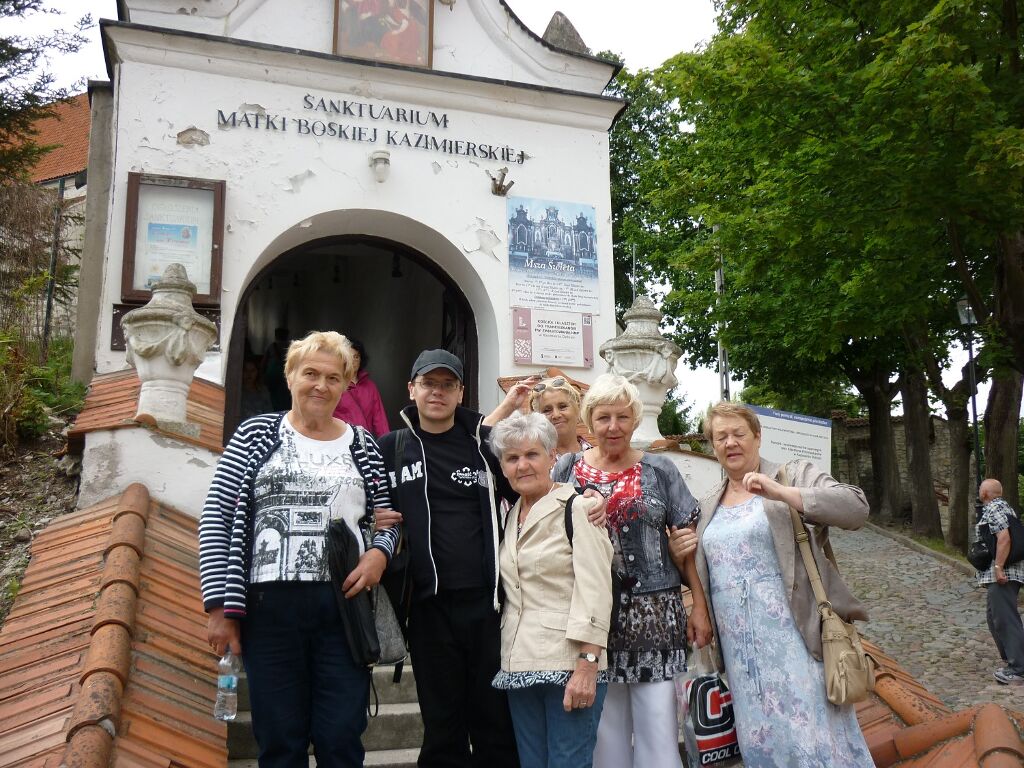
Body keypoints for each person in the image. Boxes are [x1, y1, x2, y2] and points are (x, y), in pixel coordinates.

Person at [375, 350, 607, 768]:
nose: (437, 392)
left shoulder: (483, 449)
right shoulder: (392, 448)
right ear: (412, 389)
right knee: (442, 730)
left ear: (461, 392)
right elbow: (362, 501)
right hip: (427, 609)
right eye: (429, 383)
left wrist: (589, 495)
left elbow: (532, 480)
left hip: (489, 609)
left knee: (494, 728)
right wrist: (371, 517)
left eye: (448, 384)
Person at [199, 331, 401, 768]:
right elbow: (217, 518)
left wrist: (379, 555)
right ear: (289, 376)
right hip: (270, 609)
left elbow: (387, 520)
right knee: (279, 740)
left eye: (333, 377)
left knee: (341, 736)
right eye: (310, 373)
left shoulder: (363, 444)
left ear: (347, 385)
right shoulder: (255, 434)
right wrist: (218, 608)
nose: (320, 386)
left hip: (343, 608)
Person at [687, 401, 873, 766]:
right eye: (720, 437)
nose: (730, 442)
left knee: (813, 741)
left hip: (797, 643)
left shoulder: (792, 474)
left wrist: (783, 493)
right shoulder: (708, 505)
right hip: (743, 659)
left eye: (739, 433)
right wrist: (681, 554)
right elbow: (704, 571)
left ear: (758, 436)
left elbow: (856, 508)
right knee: (764, 746)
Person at [551, 373, 709, 768]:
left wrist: (699, 605)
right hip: (592, 621)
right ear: (590, 419)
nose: (613, 426)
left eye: (622, 417)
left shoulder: (661, 470)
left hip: (655, 618)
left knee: (658, 733)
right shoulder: (567, 470)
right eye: (603, 417)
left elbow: (686, 542)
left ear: (635, 419)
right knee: (605, 736)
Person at [490, 411, 614, 768]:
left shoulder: (580, 508)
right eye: (512, 458)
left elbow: (597, 590)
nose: (522, 465)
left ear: (552, 457)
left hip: (569, 663)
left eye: (532, 454)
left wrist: (588, 665)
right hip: (518, 662)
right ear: (503, 467)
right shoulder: (510, 515)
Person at [976, 478, 1024, 686]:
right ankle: (1013, 658)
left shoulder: (993, 508)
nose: (979, 492)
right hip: (1007, 572)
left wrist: (999, 567)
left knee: (1005, 619)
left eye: (980, 489)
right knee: (994, 617)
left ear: (985, 493)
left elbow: (1004, 538)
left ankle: (1018, 668)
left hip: (1004, 574)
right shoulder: (1005, 507)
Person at [332, 338, 390, 437]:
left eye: (356, 357)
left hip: (365, 440)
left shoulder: (370, 387)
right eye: (349, 356)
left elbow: (380, 419)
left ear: (361, 359)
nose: (353, 361)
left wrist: (387, 441)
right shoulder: (335, 384)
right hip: (340, 439)